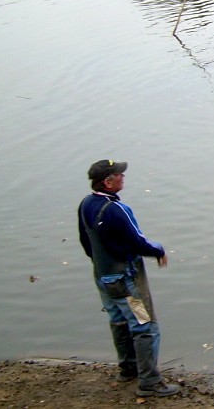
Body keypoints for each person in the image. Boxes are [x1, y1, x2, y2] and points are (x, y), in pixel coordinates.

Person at [77, 159, 180, 398]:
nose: (123, 177)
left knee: (119, 320)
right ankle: (150, 382)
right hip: (125, 282)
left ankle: (128, 369)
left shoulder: (86, 204)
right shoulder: (116, 209)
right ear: (108, 182)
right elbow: (138, 242)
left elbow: (86, 241)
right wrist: (159, 251)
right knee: (145, 326)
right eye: (119, 175)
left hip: (103, 278)